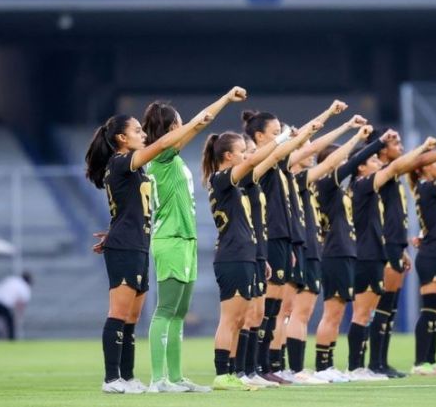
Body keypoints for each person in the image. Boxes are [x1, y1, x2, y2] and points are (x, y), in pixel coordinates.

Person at [86, 106, 218, 393]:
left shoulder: (129, 166)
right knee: (119, 313)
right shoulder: (122, 161)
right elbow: (162, 143)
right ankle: (112, 379)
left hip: (137, 244)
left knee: (132, 317)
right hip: (126, 245)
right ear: (121, 138)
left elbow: (129, 207)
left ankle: (128, 376)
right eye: (136, 131)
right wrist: (195, 122)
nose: (142, 134)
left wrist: (114, 231)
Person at [142, 88, 246, 393]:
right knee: (165, 309)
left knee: (179, 313)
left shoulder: (171, 157)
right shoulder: (161, 155)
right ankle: (157, 379)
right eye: (178, 122)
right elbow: (201, 122)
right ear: (171, 127)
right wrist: (226, 98)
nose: (183, 124)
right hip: (170, 238)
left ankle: (174, 378)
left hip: (185, 238)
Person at [236, 105, 332, 386]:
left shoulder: (281, 168)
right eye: (276, 132)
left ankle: (265, 367)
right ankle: (250, 367)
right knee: (261, 310)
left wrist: (331, 119)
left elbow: (303, 142)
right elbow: (293, 147)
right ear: (259, 136)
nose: (283, 136)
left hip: (285, 242)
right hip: (269, 240)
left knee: (275, 309)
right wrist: (328, 119)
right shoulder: (258, 162)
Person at [283, 119, 372, 385]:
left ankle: (303, 367)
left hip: (315, 249)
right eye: (306, 148)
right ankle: (293, 368)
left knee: (302, 312)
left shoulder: (310, 184)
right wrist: (355, 136)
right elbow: (337, 159)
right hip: (308, 249)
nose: (310, 151)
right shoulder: (300, 180)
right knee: (291, 312)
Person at [345, 133, 436, 380]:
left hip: (391, 247)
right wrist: (424, 147)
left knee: (387, 310)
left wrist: (401, 247)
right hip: (378, 250)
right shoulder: (376, 179)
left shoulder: (385, 178)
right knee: (375, 310)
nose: (400, 147)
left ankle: (378, 362)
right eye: (395, 144)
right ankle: (368, 364)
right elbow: (411, 164)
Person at [200, 127, 287, 391]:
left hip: (245, 255)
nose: (247, 155)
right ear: (228, 156)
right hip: (233, 256)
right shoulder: (221, 179)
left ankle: (236, 372)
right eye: (242, 151)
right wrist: (281, 139)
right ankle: (222, 373)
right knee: (231, 319)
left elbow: (254, 162)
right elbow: (254, 160)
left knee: (240, 320)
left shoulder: (235, 184)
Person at [310, 129, 391, 382]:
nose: (345, 165)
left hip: (346, 252)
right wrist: (375, 142)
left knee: (338, 313)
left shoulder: (338, 191)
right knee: (332, 313)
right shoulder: (325, 184)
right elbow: (355, 162)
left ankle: (331, 365)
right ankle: (323, 367)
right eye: (341, 161)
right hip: (334, 253)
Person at [0, 271, 32, 340]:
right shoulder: (25, 287)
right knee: (10, 323)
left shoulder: (12, 279)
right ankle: (11, 340)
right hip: (3, 304)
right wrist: (18, 316)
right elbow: (21, 305)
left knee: (2, 321)